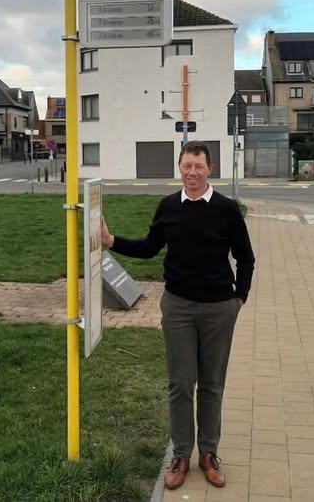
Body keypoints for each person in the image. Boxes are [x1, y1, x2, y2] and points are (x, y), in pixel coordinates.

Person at [101, 141, 255, 490]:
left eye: (198, 166)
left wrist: (239, 299)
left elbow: (246, 258)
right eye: (187, 166)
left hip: (219, 309)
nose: (192, 173)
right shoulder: (168, 206)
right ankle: (181, 455)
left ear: (210, 169)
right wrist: (111, 241)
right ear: (180, 168)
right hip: (178, 308)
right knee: (180, 384)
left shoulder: (226, 209)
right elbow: (149, 247)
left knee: (212, 384)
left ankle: (209, 454)